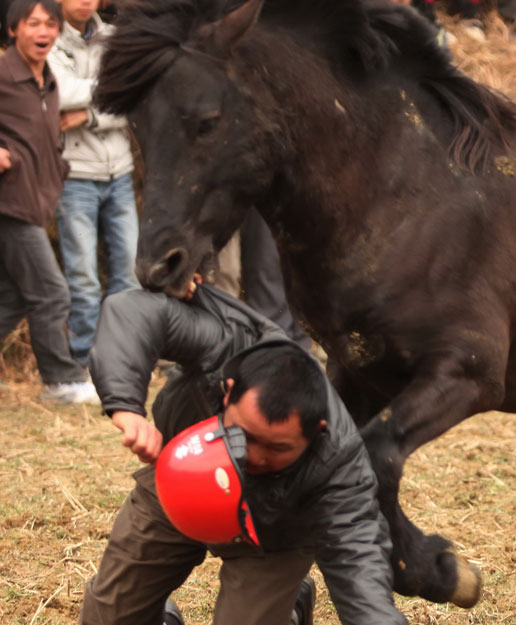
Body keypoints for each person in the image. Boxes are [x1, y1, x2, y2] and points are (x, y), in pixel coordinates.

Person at [81, 280, 408, 625]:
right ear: (229, 392)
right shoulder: (225, 343)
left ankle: (288, 609)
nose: (253, 456)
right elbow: (133, 312)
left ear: (317, 433)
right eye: (243, 435)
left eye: (277, 448)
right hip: (183, 476)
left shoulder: (339, 461)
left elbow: (358, 561)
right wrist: (125, 405)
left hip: (274, 529)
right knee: (109, 616)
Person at [0, 0, 98, 404]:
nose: (43, 31)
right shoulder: (3, 72)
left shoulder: (48, 78)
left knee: (13, 296)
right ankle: (61, 381)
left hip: (36, 199)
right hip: (9, 202)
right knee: (52, 293)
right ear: (13, 30)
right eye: (33, 23)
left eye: (49, 24)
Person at [47, 0, 140, 368]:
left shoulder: (116, 39)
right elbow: (60, 95)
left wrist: (87, 113)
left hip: (120, 171)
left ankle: (125, 355)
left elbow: (133, 98)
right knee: (83, 277)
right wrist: (109, 92)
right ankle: (86, 361)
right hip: (75, 176)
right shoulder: (48, 39)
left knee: (130, 272)